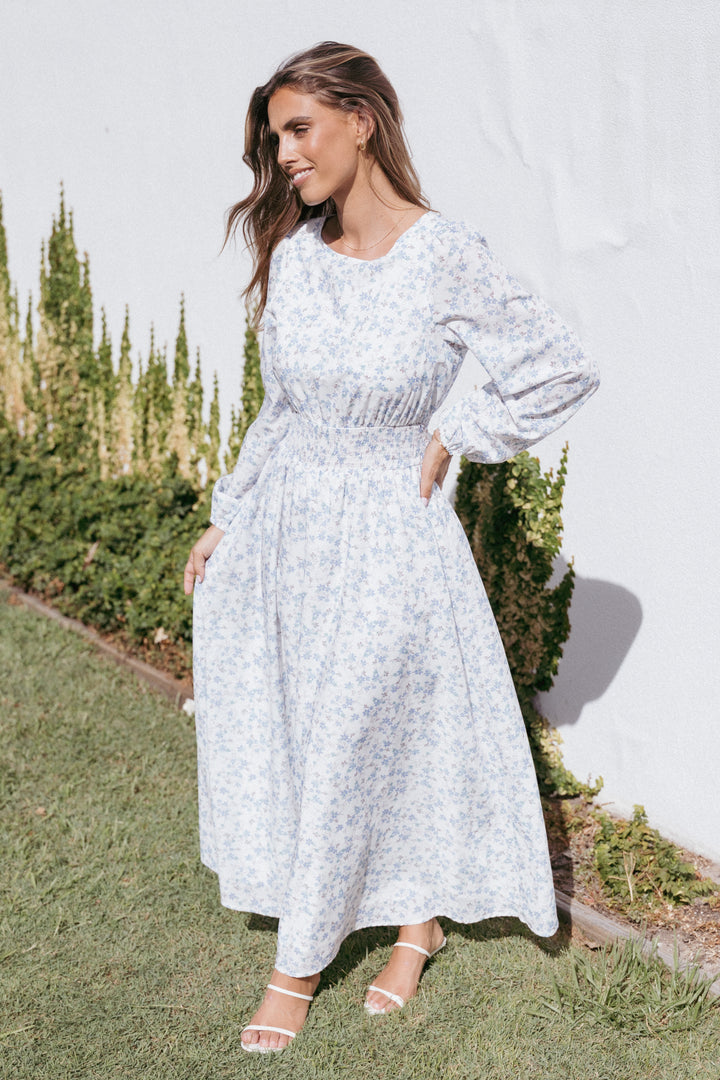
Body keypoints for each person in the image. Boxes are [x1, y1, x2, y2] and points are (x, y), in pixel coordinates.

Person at [183, 41, 599, 1054]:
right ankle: (417, 924)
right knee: (313, 732)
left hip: (388, 535)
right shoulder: (296, 257)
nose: (285, 154)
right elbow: (282, 409)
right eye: (275, 138)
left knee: (354, 733)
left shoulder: (444, 253)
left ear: (361, 120)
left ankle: (296, 968)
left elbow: (560, 366)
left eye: (299, 129)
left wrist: (459, 431)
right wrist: (230, 514)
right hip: (288, 529)